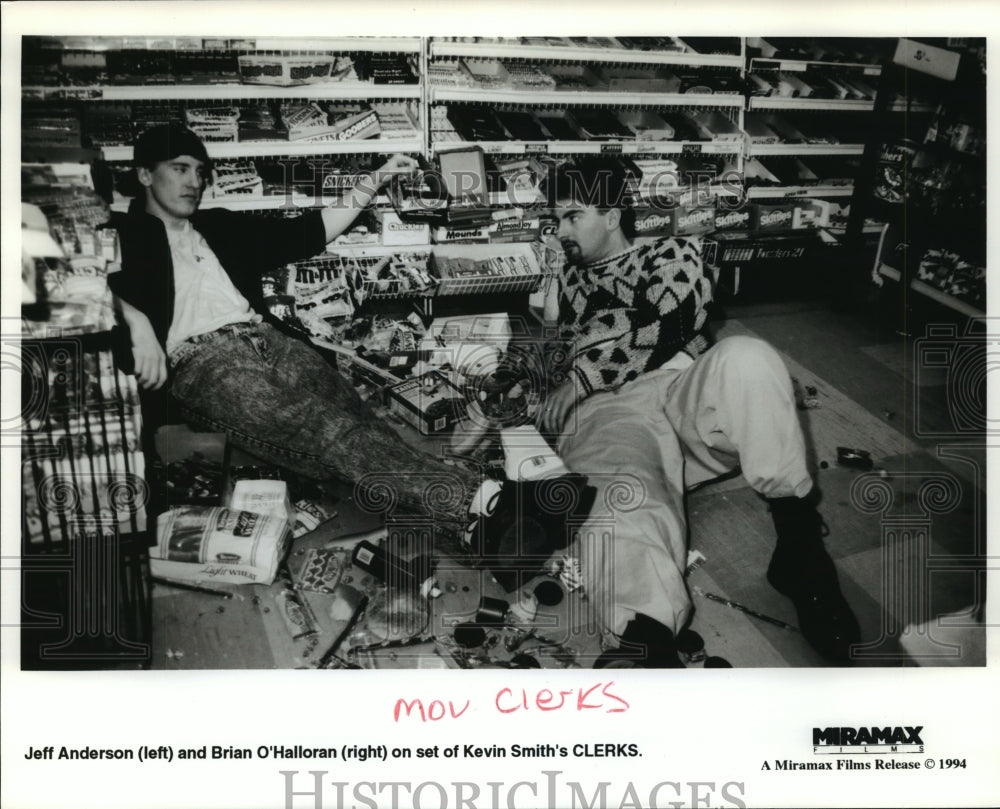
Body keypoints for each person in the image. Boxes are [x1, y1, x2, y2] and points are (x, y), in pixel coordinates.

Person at [108, 124, 512, 540]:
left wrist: (374, 180)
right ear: (144, 174)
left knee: (356, 423)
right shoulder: (121, 235)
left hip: (270, 340)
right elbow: (67, 282)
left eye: (200, 171)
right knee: (324, 427)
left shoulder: (220, 226)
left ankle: (471, 525)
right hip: (203, 361)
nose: (195, 182)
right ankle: (478, 497)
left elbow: (309, 232)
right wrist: (134, 318)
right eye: (180, 169)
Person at [539, 159, 861, 665]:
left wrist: (582, 375)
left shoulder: (673, 252)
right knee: (623, 493)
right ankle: (645, 636)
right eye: (555, 220)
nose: (560, 232)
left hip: (684, 392)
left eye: (571, 216)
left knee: (746, 357)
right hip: (614, 413)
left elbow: (675, 320)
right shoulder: (563, 284)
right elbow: (551, 360)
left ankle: (801, 550)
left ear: (612, 215)